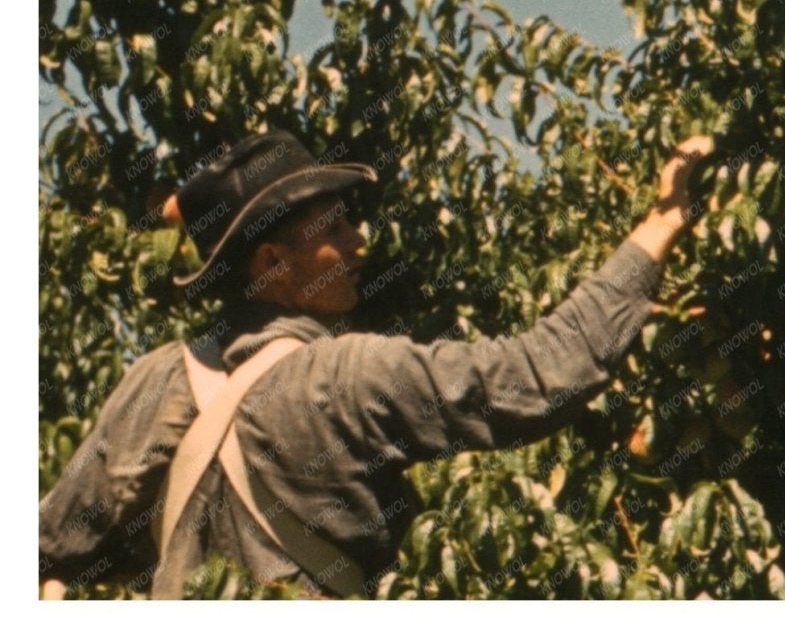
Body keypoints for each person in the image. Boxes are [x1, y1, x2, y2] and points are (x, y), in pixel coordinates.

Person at [39, 126, 712, 598]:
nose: (358, 241)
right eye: (332, 229)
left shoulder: (154, 380)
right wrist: (660, 224)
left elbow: (54, 545)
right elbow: (542, 375)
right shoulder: (348, 373)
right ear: (273, 265)